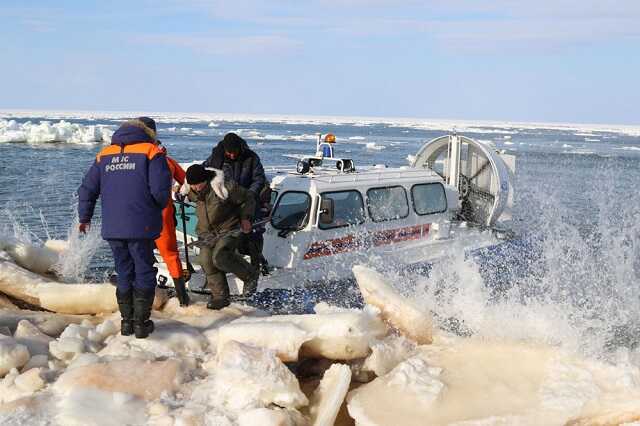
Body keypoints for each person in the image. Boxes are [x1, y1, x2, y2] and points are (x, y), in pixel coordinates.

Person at [78, 117, 171, 339]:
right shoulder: (151, 151)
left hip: (113, 226)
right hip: (142, 224)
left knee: (124, 271)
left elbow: (87, 189)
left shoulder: (105, 154)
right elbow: (160, 190)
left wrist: (85, 217)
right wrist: (152, 207)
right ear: (150, 132)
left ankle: (126, 323)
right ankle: (141, 324)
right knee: (144, 271)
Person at [184, 164, 259, 309]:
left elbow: (248, 197)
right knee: (205, 260)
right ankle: (220, 297)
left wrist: (246, 218)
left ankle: (250, 275)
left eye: (197, 184)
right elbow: (184, 192)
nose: (195, 187)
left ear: (205, 180)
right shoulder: (192, 190)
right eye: (192, 185)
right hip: (207, 234)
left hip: (228, 229)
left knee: (220, 257)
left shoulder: (223, 187)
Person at [137, 117, 190, 307]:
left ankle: (144, 291)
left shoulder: (137, 158)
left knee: (139, 251)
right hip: (162, 212)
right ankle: (183, 299)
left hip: (141, 212)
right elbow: (186, 180)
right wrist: (180, 191)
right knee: (170, 254)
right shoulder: (166, 160)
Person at [203, 132, 267, 271]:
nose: (232, 155)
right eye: (229, 153)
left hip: (248, 202)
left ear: (240, 148)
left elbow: (259, 179)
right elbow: (203, 175)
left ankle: (256, 267)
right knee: (227, 239)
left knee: (253, 237)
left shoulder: (251, 158)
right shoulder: (215, 159)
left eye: (234, 152)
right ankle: (233, 268)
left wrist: (249, 194)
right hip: (226, 207)